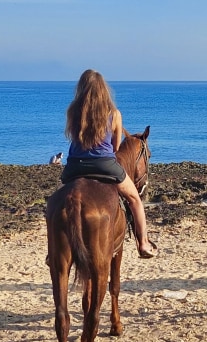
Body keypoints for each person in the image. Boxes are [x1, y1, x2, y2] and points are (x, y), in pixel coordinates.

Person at [60, 69, 157, 258]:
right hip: (104, 164)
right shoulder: (114, 114)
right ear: (104, 90)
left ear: (81, 89)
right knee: (135, 199)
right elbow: (115, 148)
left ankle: (54, 251)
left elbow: (72, 137)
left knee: (59, 198)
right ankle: (144, 243)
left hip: (75, 165)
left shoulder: (73, 111)